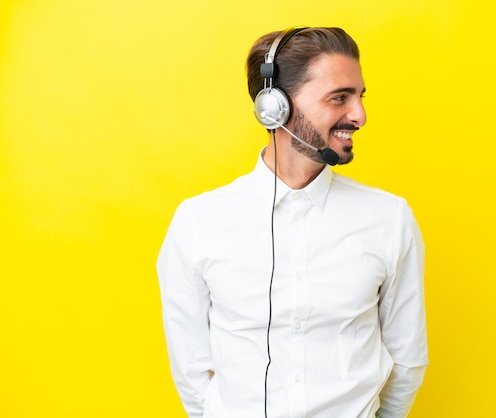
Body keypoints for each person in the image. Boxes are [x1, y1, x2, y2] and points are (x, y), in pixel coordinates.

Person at [157, 26, 428, 418]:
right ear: (276, 107)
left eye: (359, 97)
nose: (360, 115)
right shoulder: (198, 222)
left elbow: (407, 360)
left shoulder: (389, 218)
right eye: (340, 98)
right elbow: (192, 369)